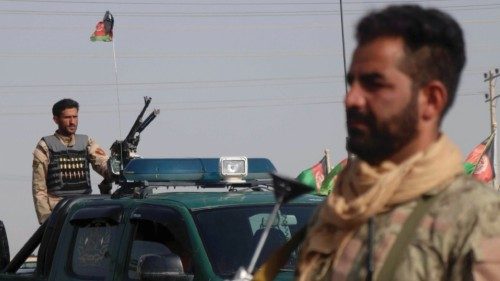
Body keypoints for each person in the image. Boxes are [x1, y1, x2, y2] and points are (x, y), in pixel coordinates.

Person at [296, 5, 500, 280]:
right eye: (352, 82)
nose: (352, 98)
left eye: (374, 84)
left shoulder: (475, 217)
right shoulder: (338, 210)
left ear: (431, 100)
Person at [32, 99, 111, 224]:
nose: (72, 121)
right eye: (67, 117)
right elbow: (39, 188)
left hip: (84, 208)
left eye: (75, 117)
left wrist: (115, 169)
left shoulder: (86, 142)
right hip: (58, 211)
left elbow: (103, 164)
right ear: (56, 119)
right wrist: (46, 220)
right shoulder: (45, 146)